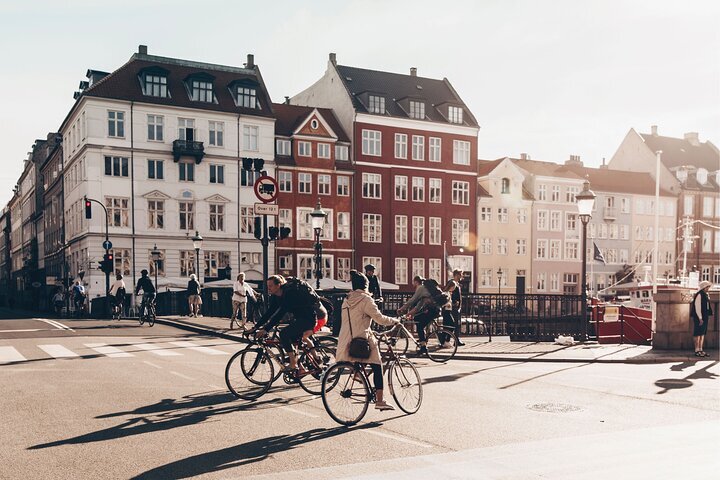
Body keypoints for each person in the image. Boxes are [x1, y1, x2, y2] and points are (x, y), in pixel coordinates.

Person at [337, 270, 400, 411]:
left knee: (361, 362)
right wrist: (395, 321)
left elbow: (355, 320)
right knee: (378, 365)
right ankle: (380, 400)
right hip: (361, 340)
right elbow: (380, 319)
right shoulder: (366, 300)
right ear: (366, 286)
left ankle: (358, 375)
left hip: (346, 340)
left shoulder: (346, 300)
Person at [254, 275, 327, 380]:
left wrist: (266, 329)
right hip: (299, 319)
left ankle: (294, 364)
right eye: (267, 286)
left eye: (270, 286)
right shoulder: (276, 295)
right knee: (292, 340)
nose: (268, 288)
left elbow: (280, 314)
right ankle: (301, 369)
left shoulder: (289, 294)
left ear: (278, 285)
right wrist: (256, 326)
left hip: (308, 319)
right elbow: (270, 312)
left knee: (283, 334)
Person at [397, 276, 435, 355]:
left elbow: (412, 300)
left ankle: (423, 345)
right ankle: (423, 344)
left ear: (416, 282)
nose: (412, 283)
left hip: (432, 309)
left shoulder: (420, 288)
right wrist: (408, 314)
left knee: (419, 324)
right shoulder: (424, 291)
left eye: (413, 282)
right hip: (434, 309)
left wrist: (402, 308)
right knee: (418, 319)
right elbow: (418, 307)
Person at [691, 280, 713, 357]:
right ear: (704, 287)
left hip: (704, 316)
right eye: (707, 287)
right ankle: (696, 350)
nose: (708, 288)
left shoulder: (705, 295)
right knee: (698, 333)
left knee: (702, 333)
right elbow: (698, 307)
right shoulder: (699, 295)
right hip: (699, 317)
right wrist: (700, 318)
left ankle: (700, 349)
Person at [451, 269, 465, 346]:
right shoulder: (452, 283)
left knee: (457, 324)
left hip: (457, 307)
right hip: (454, 307)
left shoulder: (456, 283)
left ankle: (456, 340)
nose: (461, 276)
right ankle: (456, 340)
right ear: (456, 275)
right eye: (460, 275)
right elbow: (448, 293)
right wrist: (453, 302)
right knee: (455, 324)